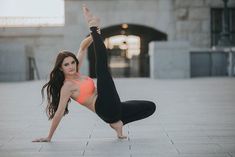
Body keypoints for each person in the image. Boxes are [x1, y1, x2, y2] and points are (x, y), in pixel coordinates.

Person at [32, 5, 156, 142]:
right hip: (103, 107)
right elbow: (59, 113)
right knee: (102, 68)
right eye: (66, 64)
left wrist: (94, 34)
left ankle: (118, 123)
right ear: (60, 68)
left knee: (150, 107)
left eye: (72, 62)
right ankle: (93, 27)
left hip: (113, 108)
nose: (71, 66)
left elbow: (83, 47)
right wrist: (48, 137)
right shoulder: (67, 86)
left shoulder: (76, 71)